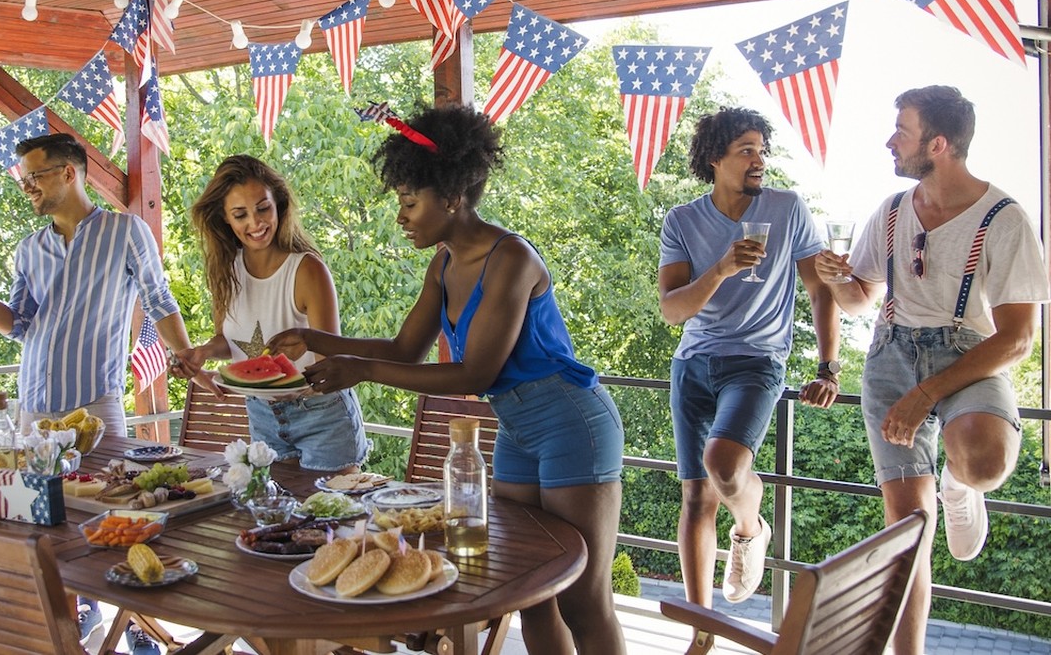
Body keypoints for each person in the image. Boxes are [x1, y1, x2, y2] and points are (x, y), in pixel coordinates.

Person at [269, 105, 627, 655]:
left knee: (582, 598)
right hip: (515, 427)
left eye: (410, 202)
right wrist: (316, 340)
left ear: (453, 196)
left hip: (570, 421)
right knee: (528, 590)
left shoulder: (512, 258)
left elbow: (475, 373)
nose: (401, 216)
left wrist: (359, 371)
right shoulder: (442, 264)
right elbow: (405, 349)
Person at [0, 133, 200, 653]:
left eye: (33, 176)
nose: (26, 188)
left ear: (68, 172)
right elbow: (17, 325)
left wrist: (186, 357)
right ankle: (80, 625)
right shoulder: (28, 248)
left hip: (95, 409)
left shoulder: (124, 231)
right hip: (34, 412)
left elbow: (157, 298)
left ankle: (137, 627)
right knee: (45, 528)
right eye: (23, 179)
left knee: (111, 520)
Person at [816, 85, 1049, 655]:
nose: (889, 141)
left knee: (987, 461)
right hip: (891, 355)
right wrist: (834, 277)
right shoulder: (892, 211)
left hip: (969, 355)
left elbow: (1018, 338)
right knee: (907, 530)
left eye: (902, 130)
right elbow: (858, 301)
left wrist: (927, 395)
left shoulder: (1005, 218)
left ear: (938, 144)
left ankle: (961, 480)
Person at [657, 107, 839, 648]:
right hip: (693, 364)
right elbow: (671, 310)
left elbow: (819, 289)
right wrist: (720, 269)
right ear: (715, 158)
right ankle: (701, 634)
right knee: (695, 498)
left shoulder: (787, 209)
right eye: (746, 150)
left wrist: (828, 365)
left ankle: (749, 529)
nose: (760, 160)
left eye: (762, 149)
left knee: (725, 464)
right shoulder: (682, 221)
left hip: (758, 361)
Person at [187, 155, 368, 473]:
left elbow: (330, 354)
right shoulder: (225, 271)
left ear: (279, 205)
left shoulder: (308, 269)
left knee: (334, 514)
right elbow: (228, 340)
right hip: (262, 415)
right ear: (225, 219)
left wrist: (289, 381)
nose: (255, 224)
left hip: (321, 413)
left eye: (263, 208)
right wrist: (202, 352)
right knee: (276, 517)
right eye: (240, 214)